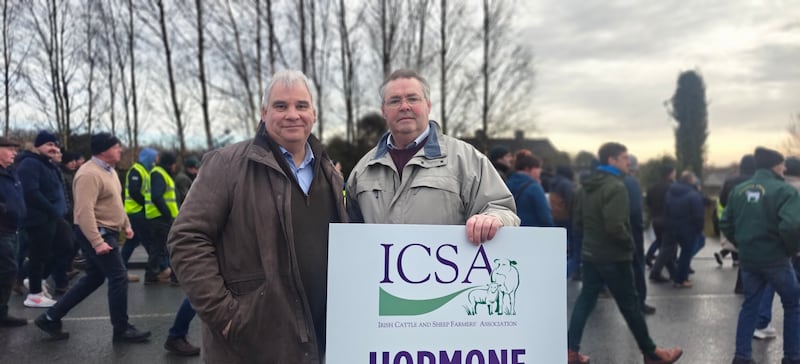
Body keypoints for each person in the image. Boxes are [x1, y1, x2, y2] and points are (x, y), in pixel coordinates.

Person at [168, 70, 346, 363]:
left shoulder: (331, 174)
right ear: (264, 113)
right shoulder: (226, 165)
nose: (292, 115)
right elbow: (187, 239)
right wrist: (226, 318)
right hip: (252, 345)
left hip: (318, 340)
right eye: (280, 106)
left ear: (314, 113)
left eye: (301, 106)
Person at [347, 69, 519, 243]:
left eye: (413, 99)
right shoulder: (363, 170)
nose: (404, 106)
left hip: (447, 269)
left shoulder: (466, 159)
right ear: (383, 111)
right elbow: (349, 234)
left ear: (428, 106)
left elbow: (502, 209)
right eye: (394, 101)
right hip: (379, 271)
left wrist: (493, 219)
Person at [567, 142, 682, 364]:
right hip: (615, 257)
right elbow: (615, 226)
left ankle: (571, 351)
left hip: (591, 255)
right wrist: (629, 245)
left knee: (585, 300)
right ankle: (652, 354)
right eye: (624, 158)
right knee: (631, 304)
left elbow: (579, 221)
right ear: (611, 160)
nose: (628, 162)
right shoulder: (616, 187)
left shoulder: (584, 187)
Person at [34, 132, 151, 343]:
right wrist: (97, 242)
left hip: (109, 230)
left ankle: (50, 317)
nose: (120, 150)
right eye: (117, 147)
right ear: (105, 150)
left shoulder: (110, 172)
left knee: (94, 278)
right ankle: (121, 329)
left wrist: (126, 224)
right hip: (97, 232)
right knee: (118, 276)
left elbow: (115, 201)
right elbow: (83, 212)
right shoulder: (89, 174)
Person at [721, 147, 800, 364]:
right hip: (776, 259)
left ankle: (742, 356)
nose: (785, 168)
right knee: (793, 305)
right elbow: (792, 225)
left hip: (749, 260)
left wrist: (742, 243)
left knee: (750, 305)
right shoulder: (785, 191)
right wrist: (791, 248)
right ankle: (792, 356)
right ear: (775, 165)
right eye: (783, 164)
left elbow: (725, 222)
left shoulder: (739, 190)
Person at [16, 130, 68, 308]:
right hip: (38, 217)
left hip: (53, 215)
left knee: (67, 245)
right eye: (49, 145)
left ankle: (35, 280)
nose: (53, 148)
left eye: (55, 145)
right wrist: (51, 209)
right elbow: (31, 192)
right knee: (39, 254)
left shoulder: (48, 164)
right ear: (38, 146)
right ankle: (34, 294)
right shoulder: (30, 163)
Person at [121, 148, 159, 282]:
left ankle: (120, 270)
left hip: (138, 212)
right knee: (150, 241)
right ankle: (156, 270)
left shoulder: (145, 170)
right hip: (136, 212)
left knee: (132, 242)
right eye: (154, 158)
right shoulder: (136, 170)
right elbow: (134, 191)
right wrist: (146, 204)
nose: (155, 161)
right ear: (148, 158)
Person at [0, 136, 27, 327]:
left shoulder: (11, 172)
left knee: (9, 270)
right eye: (10, 149)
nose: (14, 153)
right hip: (2, 229)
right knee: (8, 270)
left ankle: (2, 312)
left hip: (13, 229)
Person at [624, 155, 656, 314]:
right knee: (637, 267)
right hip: (631, 232)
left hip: (608, 234)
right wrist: (640, 227)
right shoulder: (631, 183)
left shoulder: (607, 181)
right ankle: (639, 303)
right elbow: (636, 212)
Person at [665, 171, 704, 288]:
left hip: (672, 226)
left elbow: (665, 209)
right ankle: (682, 279)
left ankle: (677, 277)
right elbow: (698, 214)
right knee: (686, 253)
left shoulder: (670, 192)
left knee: (676, 252)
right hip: (688, 227)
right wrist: (699, 229)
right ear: (690, 180)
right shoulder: (693, 194)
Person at [143, 152, 177, 285]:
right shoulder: (159, 174)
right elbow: (156, 196)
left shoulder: (157, 173)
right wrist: (167, 213)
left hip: (156, 217)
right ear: (170, 164)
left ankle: (151, 275)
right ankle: (176, 277)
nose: (175, 167)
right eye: (174, 164)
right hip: (161, 218)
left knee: (158, 248)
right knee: (172, 247)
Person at [506, 154, 553, 227]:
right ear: (527, 168)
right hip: (532, 232)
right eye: (537, 167)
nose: (540, 170)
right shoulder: (534, 188)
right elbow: (545, 217)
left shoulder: (506, 184)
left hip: (511, 230)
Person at [645, 164, 675, 269]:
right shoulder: (671, 187)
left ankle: (648, 258)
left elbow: (648, 202)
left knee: (659, 241)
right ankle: (669, 267)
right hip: (667, 218)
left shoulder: (652, 187)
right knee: (669, 244)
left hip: (655, 218)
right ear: (670, 174)